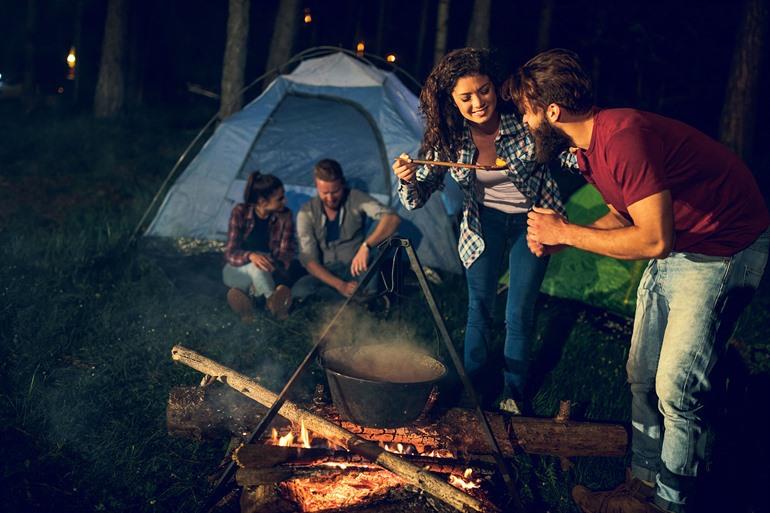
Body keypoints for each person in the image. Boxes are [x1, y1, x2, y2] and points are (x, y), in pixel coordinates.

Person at [507, 48, 769, 513]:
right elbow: (621, 214)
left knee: (676, 387)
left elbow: (652, 240)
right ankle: (641, 487)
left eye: (525, 112)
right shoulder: (588, 149)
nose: (524, 123)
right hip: (680, 242)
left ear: (551, 111)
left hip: (724, 246)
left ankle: (671, 503)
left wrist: (565, 229)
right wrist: (564, 241)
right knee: (641, 376)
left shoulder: (623, 137)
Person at [392, 48, 567, 414]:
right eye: (466, 97)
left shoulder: (523, 120)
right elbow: (417, 197)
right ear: (451, 101)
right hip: (482, 221)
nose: (478, 102)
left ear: (495, 86)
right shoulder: (449, 140)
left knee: (518, 312)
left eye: (483, 90)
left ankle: (513, 393)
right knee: (479, 309)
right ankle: (471, 390)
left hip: (533, 220)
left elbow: (565, 153)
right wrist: (407, 180)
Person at [293, 158, 400, 300]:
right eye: (325, 193)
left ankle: (357, 300)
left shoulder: (355, 197)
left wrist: (366, 246)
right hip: (328, 272)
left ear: (342, 184)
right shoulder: (306, 212)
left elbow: (392, 218)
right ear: (317, 187)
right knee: (300, 290)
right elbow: (309, 260)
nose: (330, 198)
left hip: (356, 267)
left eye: (335, 191)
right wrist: (340, 285)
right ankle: (346, 299)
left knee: (374, 256)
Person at [223, 171, 296, 321]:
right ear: (262, 201)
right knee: (255, 267)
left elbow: (286, 254)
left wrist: (271, 264)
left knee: (259, 270)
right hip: (237, 270)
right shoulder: (240, 212)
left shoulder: (285, 216)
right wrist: (251, 256)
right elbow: (230, 253)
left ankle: (251, 308)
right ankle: (272, 303)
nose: (285, 201)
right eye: (280, 198)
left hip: (270, 271)